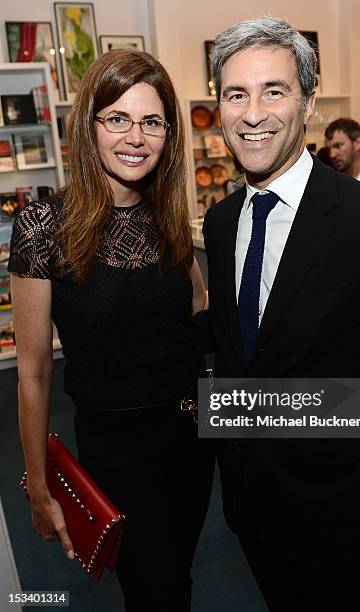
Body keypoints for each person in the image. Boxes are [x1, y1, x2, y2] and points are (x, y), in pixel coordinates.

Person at [202, 16, 360, 612]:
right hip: (244, 498)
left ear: (309, 102)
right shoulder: (222, 221)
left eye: (273, 90)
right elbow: (240, 351)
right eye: (236, 93)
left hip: (333, 506)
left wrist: (345, 447)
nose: (252, 113)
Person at [9, 49, 214, 612]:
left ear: (168, 133)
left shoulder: (166, 216)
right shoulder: (41, 227)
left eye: (151, 121)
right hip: (116, 452)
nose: (136, 137)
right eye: (117, 118)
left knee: (180, 576)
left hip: (190, 439)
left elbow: (196, 307)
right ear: (89, 125)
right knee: (155, 592)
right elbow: (31, 373)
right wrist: (38, 486)